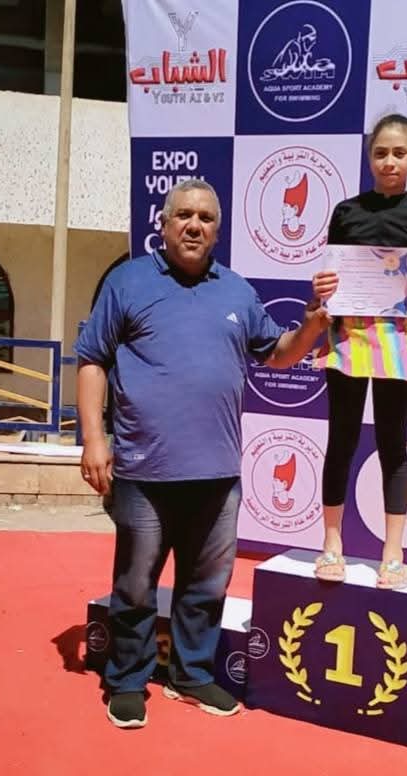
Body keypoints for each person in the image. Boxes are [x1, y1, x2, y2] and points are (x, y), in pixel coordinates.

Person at [75, 178, 330, 729]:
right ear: (164, 224)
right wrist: (94, 438)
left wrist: (312, 323)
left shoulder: (236, 291)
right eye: (184, 215)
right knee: (135, 586)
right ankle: (127, 680)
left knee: (207, 586)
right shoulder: (127, 281)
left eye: (206, 218)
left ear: (217, 230)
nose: (194, 225)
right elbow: (93, 359)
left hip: (218, 473)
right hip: (143, 470)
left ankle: (190, 674)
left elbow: (278, 353)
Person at [312, 113, 407, 591]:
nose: (390, 161)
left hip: (398, 340)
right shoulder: (347, 212)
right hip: (348, 336)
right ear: (370, 157)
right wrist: (322, 288)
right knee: (342, 439)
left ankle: (393, 552)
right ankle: (332, 543)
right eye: (381, 153)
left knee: (393, 442)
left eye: (399, 153)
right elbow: (331, 278)